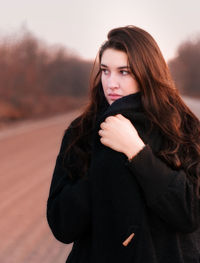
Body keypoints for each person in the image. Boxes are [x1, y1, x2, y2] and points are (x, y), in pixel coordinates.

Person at [46, 25, 200, 263]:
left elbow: (189, 213)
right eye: (105, 71)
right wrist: (106, 160)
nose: (111, 83)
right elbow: (62, 224)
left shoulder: (182, 127)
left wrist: (136, 152)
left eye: (124, 72)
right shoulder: (82, 131)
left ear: (147, 73)